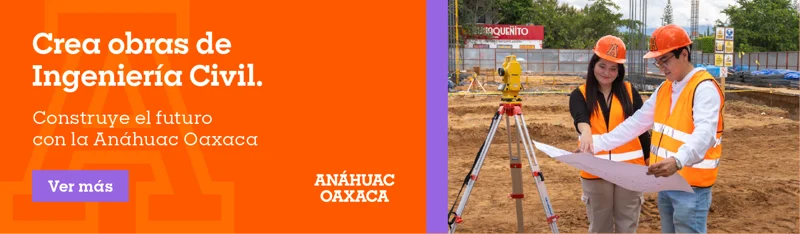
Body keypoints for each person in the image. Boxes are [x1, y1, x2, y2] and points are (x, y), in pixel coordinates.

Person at [591, 24, 725, 234]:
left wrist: (678, 160)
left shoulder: (703, 88)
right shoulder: (666, 88)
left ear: (683, 54)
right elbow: (635, 124)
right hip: (667, 183)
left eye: (665, 60)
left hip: (691, 187)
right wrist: (596, 144)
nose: (661, 67)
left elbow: (704, 134)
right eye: (657, 61)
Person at [569, 35, 652, 233]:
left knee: (627, 225)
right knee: (600, 227)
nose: (607, 73)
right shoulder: (579, 94)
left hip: (630, 170)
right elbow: (580, 118)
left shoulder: (630, 92)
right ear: (593, 65)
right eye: (602, 66)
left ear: (620, 70)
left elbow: (642, 130)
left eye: (613, 68)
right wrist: (586, 133)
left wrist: (648, 158)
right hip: (595, 170)